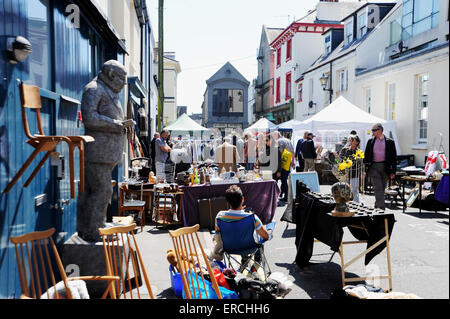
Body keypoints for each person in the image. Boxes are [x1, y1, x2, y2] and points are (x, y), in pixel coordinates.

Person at [77, 60, 134, 242]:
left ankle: (97, 224)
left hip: (106, 155)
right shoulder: (94, 89)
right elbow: (90, 117)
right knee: (102, 191)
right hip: (97, 154)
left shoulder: (108, 91)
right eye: (121, 80)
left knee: (101, 191)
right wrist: (116, 124)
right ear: (110, 75)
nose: (123, 84)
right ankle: (93, 231)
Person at [210, 185, 271, 261]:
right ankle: (257, 260)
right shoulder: (252, 217)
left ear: (228, 201)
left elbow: (217, 232)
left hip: (228, 248)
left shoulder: (219, 216)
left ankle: (245, 259)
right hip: (249, 248)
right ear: (242, 199)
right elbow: (266, 236)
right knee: (262, 232)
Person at [363, 123, 397, 210]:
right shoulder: (370, 141)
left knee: (382, 188)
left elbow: (394, 157)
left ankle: (377, 205)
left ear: (380, 130)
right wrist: (364, 169)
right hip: (373, 167)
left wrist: (393, 171)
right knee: (377, 188)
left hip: (385, 167)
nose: (372, 132)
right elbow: (366, 156)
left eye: (374, 130)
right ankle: (382, 209)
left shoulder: (390, 142)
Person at [340, 134, 362, 202]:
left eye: (352, 140)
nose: (351, 142)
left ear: (357, 142)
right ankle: (345, 203)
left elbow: (360, 163)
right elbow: (340, 159)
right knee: (345, 189)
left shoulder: (359, 152)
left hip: (355, 173)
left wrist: (362, 172)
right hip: (345, 173)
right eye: (350, 140)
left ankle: (356, 205)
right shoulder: (345, 150)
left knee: (354, 190)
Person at [276, 132, 294, 202]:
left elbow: (280, 152)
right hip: (288, 162)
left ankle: (286, 196)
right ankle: (283, 193)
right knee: (285, 179)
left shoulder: (279, 141)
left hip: (283, 162)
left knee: (283, 180)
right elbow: (293, 151)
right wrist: (292, 161)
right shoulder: (288, 140)